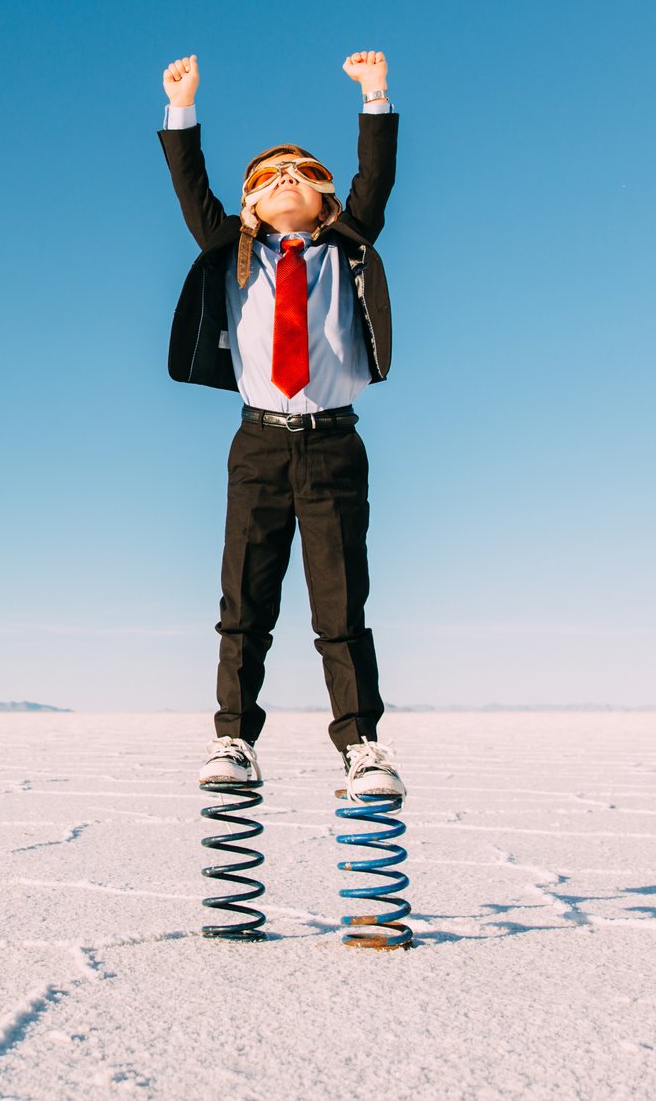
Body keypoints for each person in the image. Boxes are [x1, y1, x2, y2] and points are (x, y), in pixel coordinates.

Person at [158, 51, 406, 798]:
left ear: (327, 198)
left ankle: (360, 743)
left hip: (334, 440)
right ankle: (233, 738)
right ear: (249, 205)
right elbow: (190, 186)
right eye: (268, 178)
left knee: (340, 604)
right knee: (245, 600)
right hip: (258, 441)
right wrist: (182, 106)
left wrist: (374, 94)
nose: (286, 181)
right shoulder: (229, 252)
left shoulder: (346, 244)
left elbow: (376, 178)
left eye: (302, 172)